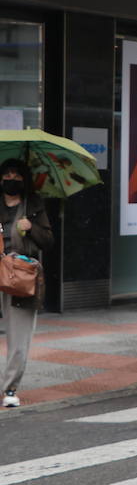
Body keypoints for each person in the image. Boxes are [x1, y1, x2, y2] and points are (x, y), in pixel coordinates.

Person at [1, 158, 53, 408]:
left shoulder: (33, 205)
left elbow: (48, 241)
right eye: (7, 175)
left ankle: (10, 388)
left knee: (19, 337)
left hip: (21, 276)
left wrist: (31, 227)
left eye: (17, 175)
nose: (11, 179)